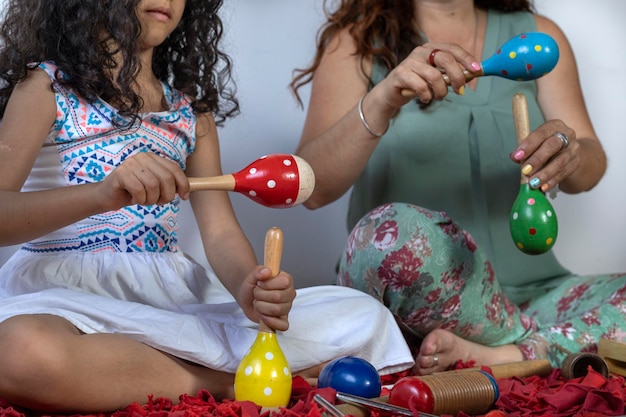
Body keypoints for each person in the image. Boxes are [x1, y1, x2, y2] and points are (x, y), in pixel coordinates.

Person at [0, 0, 415, 413]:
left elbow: (219, 231)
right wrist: (100, 195)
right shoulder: (45, 87)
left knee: (363, 313)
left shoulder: (190, 114)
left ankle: (141, 371)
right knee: (19, 353)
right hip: (60, 298)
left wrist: (247, 289)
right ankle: (223, 380)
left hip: (166, 301)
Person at [290, 0, 626, 376]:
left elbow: (589, 164)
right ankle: (548, 345)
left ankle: (507, 354)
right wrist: (382, 99)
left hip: (532, 298)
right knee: (388, 234)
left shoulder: (538, 37)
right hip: (410, 305)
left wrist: (572, 154)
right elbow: (311, 188)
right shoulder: (356, 43)